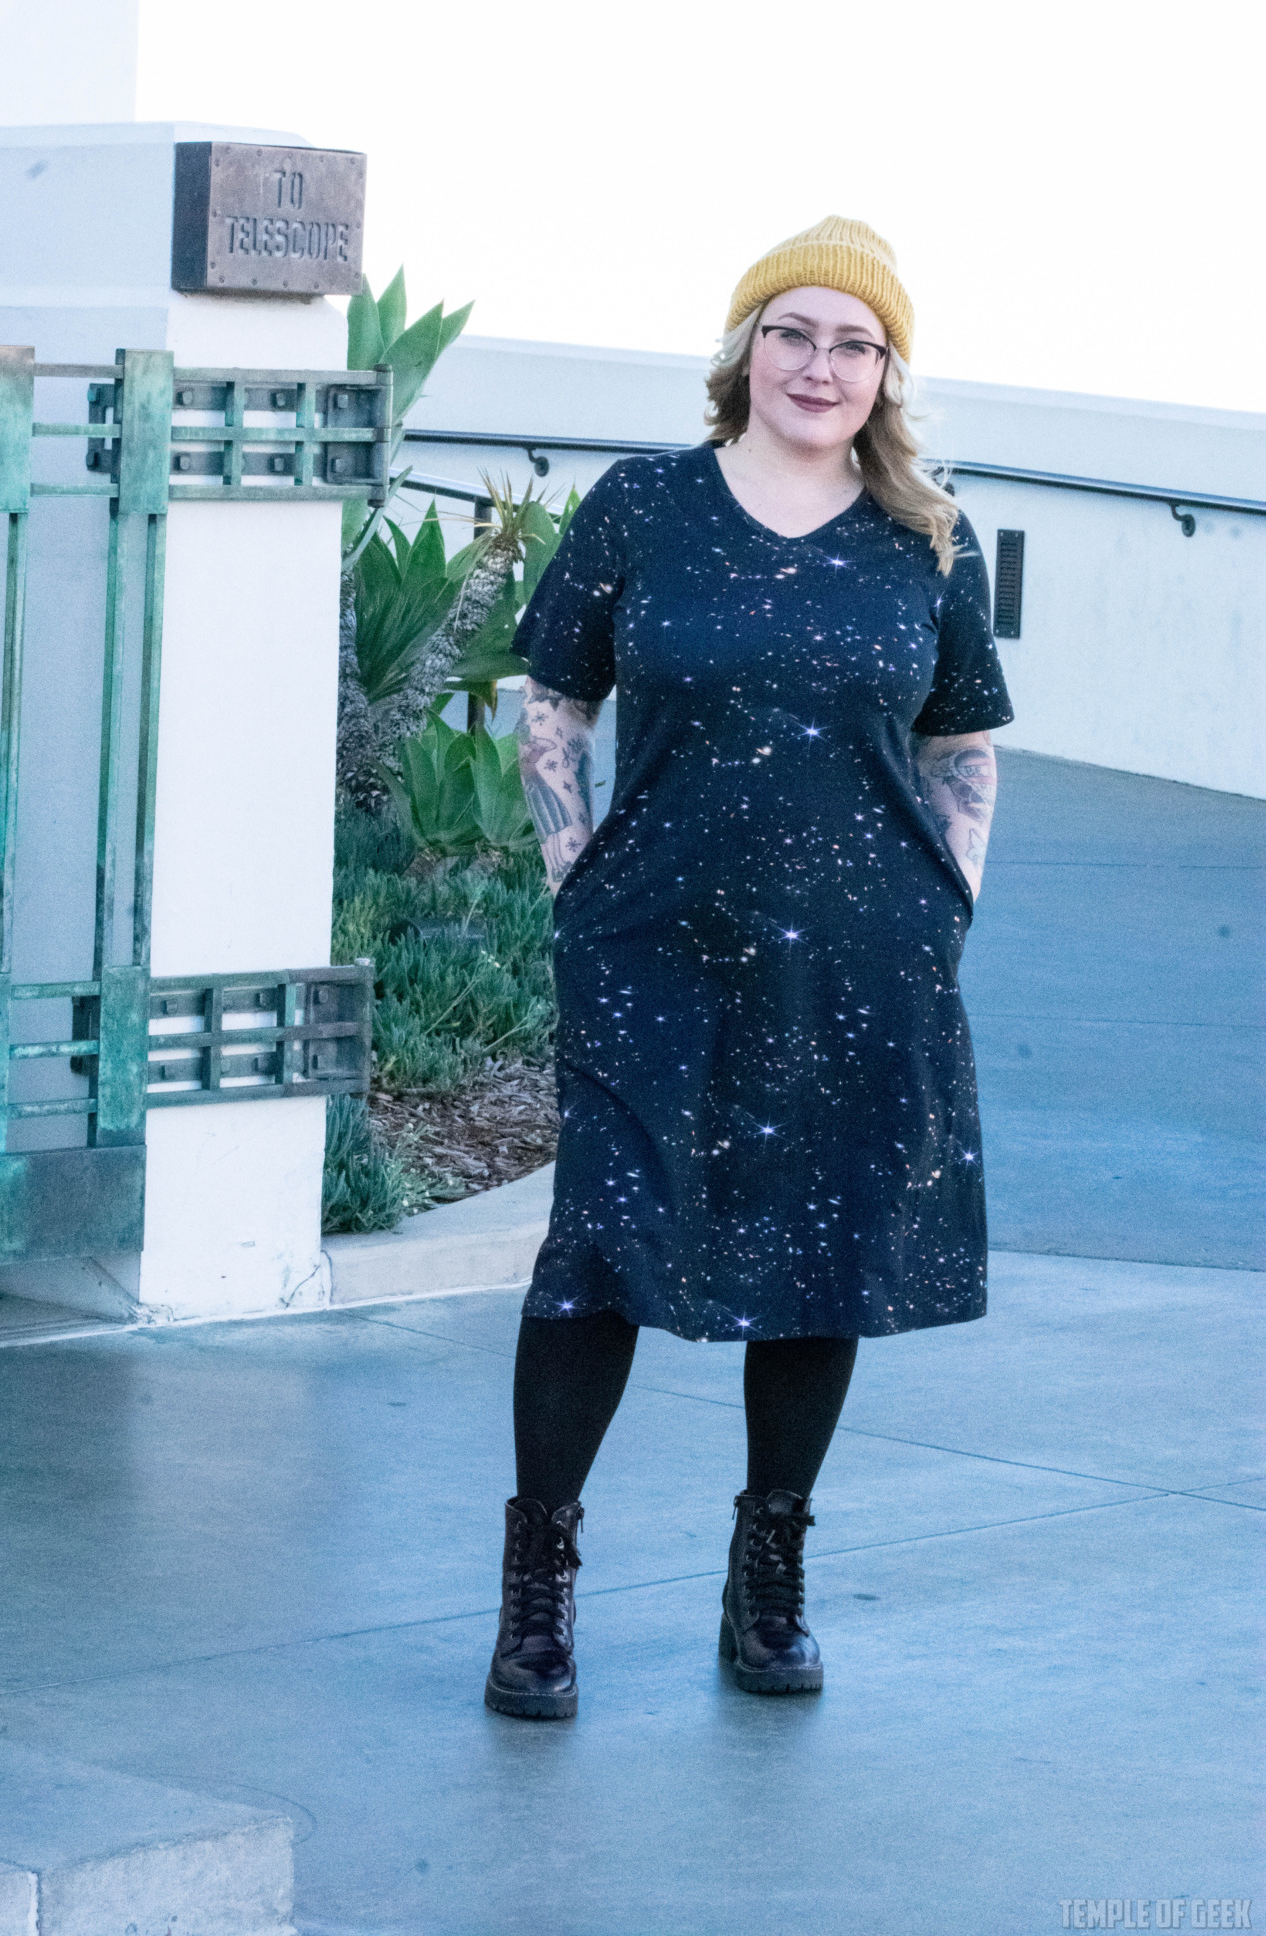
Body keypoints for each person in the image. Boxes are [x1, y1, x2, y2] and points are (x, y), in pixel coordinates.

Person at [486, 216, 1014, 1720]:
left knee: (821, 1256)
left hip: (867, 960)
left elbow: (962, 735)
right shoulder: (647, 505)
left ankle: (767, 1578)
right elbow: (555, 697)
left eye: (856, 343)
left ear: (887, 377)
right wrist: (570, 874)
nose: (820, 363)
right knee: (596, 1250)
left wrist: (947, 902)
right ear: (743, 350)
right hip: (650, 948)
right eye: (793, 330)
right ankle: (539, 1590)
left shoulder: (925, 536)